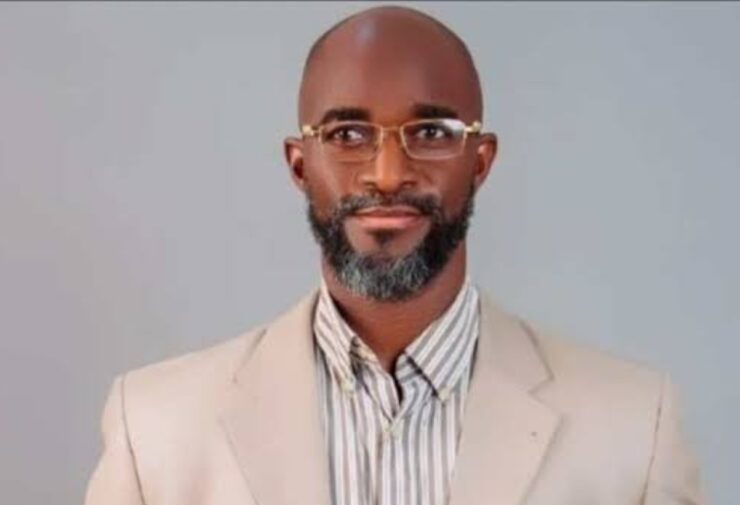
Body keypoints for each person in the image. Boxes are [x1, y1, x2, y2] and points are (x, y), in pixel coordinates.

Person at [84, 6, 706, 505]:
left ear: (480, 162)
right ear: (300, 165)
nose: (386, 174)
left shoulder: (632, 428)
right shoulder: (158, 430)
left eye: (431, 133)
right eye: (347, 135)